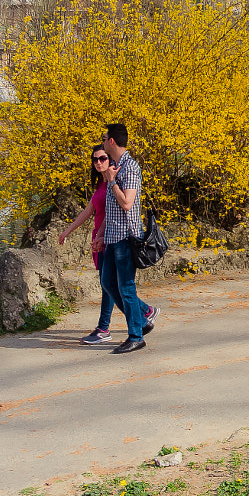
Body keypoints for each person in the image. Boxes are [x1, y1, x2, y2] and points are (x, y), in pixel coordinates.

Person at [58, 146, 125, 346]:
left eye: (102, 158)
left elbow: (118, 209)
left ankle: (104, 327)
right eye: (95, 159)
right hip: (99, 239)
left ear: (109, 159)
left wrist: (103, 235)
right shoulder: (100, 185)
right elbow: (88, 211)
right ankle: (144, 312)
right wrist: (67, 231)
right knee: (109, 285)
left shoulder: (115, 180)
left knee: (108, 285)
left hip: (110, 238)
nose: (98, 162)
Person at [100, 123, 155, 354]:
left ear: (112, 141)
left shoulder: (130, 168)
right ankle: (141, 320)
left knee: (126, 286)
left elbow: (127, 203)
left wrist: (111, 182)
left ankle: (136, 335)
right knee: (108, 283)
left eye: (104, 138)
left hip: (125, 236)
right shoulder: (115, 167)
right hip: (112, 237)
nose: (102, 141)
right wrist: (101, 234)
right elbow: (110, 207)